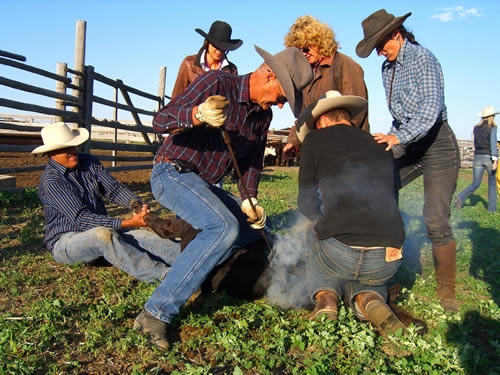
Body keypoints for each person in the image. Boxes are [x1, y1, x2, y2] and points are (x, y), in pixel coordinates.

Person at [133, 45, 313, 349]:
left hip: (207, 187)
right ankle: (155, 312)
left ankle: (293, 273)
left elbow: (252, 164)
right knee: (223, 228)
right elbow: (161, 120)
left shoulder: (262, 117)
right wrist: (197, 114)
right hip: (171, 173)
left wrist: (249, 199)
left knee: (257, 232)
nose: (280, 105)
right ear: (269, 76)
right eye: (282, 97)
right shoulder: (217, 83)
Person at [356, 9, 461, 312]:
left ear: (396, 34)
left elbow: (430, 108)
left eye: (380, 44)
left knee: (436, 220)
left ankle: (447, 292)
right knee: (379, 191)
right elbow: (398, 118)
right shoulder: (387, 69)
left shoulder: (423, 58)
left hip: (438, 143)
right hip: (408, 142)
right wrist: (389, 138)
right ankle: (382, 270)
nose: (378, 52)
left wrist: (399, 137)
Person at [297, 90, 407, 338]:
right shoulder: (382, 143)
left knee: (311, 232)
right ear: (346, 117)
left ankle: (326, 298)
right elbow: (393, 198)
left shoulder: (316, 140)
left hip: (339, 254)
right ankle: (371, 299)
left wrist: (322, 221)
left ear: (322, 121)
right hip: (387, 256)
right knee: (368, 274)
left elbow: (305, 202)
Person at [33, 122, 181, 283]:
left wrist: (135, 205)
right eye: (65, 149)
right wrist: (128, 222)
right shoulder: (52, 181)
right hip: (66, 242)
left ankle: (192, 259)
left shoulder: (88, 162)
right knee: (101, 236)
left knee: (143, 237)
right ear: (51, 154)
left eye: (73, 146)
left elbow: (113, 189)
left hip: (103, 230)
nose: (72, 151)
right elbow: (82, 219)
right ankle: (165, 276)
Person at [282, 15, 369, 156]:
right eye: (298, 51)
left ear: (319, 41)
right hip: (323, 150)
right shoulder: (306, 74)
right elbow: (305, 115)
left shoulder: (344, 64)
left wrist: (333, 143)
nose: (303, 54)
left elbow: (356, 114)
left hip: (350, 151)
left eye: (306, 48)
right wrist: (293, 141)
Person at [171, 20, 242, 99]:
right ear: (208, 43)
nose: (219, 51)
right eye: (216, 46)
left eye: (223, 48)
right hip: (192, 111)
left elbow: (233, 101)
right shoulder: (189, 64)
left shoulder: (232, 70)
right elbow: (176, 98)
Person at [455, 106, 498, 212]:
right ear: (491, 116)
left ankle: (460, 197)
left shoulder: (476, 128)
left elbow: (476, 142)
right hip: (489, 157)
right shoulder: (493, 127)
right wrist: (495, 159)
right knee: (492, 183)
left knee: (476, 183)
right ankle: (491, 209)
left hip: (477, 157)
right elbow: (493, 143)